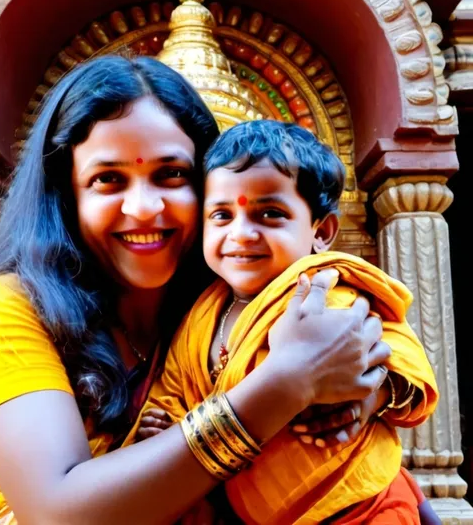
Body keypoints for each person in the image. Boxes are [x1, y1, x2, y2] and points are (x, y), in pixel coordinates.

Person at [0, 56, 390, 525]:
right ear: (69, 195)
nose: (144, 208)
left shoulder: (230, 301)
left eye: (172, 175)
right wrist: (285, 384)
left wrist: (359, 395)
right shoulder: (12, 306)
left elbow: (371, 358)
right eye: (108, 180)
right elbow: (59, 514)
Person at [133, 120, 439, 524]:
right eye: (222, 215)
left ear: (322, 230)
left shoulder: (327, 288)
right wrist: (160, 423)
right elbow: (175, 386)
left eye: (270, 214)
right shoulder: (202, 314)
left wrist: (371, 397)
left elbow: (400, 354)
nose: (241, 234)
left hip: (361, 506)